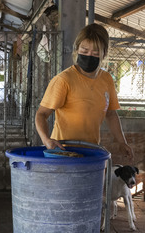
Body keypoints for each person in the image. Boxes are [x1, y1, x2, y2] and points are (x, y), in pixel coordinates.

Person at [35, 23, 134, 161]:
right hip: (63, 151)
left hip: (91, 151)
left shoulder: (106, 79)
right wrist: (46, 140)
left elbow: (111, 114)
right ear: (76, 49)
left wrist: (122, 142)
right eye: (84, 50)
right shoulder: (64, 80)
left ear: (104, 53)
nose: (89, 55)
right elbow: (41, 114)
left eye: (95, 52)